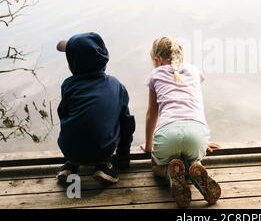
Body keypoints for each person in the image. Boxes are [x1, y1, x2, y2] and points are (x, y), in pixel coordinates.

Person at [142, 36, 221, 208]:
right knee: (192, 159)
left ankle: (169, 172)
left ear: (157, 60)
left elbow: (151, 115)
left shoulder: (156, 74)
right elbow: (195, 105)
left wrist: (148, 147)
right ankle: (194, 167)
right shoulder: (193, 70)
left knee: (156, 165)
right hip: (197, 131)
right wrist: (203, 139)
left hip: (168, 134)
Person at [56, 32, 136, 184]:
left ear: (73, 63)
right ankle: (105, 165)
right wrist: (124, 156)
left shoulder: (68, 85)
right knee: (118, 120)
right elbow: (127, 125)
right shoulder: (117, 86)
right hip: (102, 150)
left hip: (69, 149)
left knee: (73, 119)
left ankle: (71, 164)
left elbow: (63, 115)